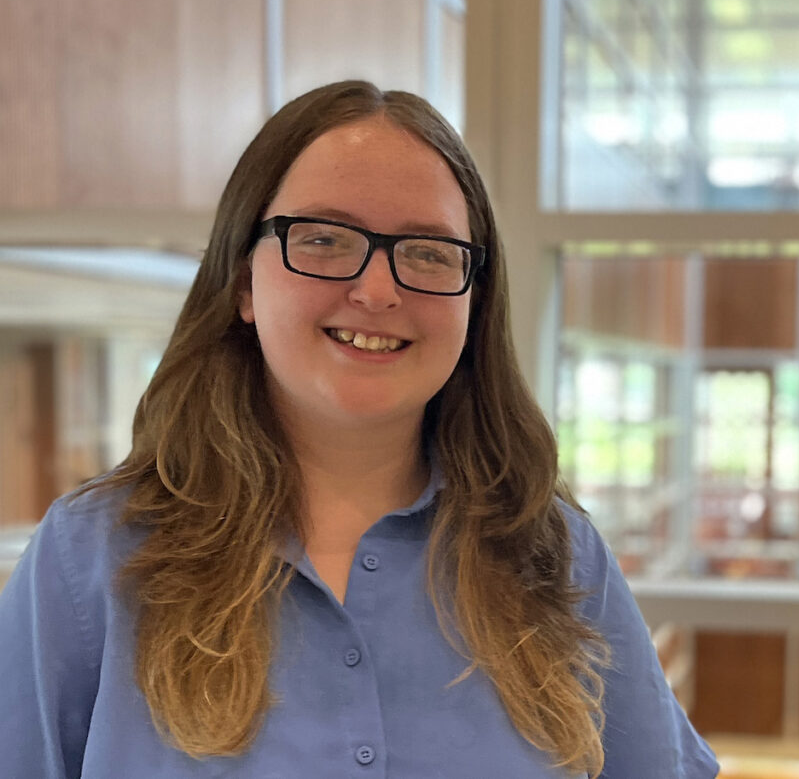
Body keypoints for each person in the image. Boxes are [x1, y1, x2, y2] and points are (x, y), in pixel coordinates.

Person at [0, 81, 718, 778]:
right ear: (244, 281)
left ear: (475, 303)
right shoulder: (90, 558)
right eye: (323, 239)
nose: (378, 291)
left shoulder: (558, 558)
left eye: (430, 253)